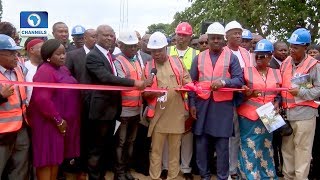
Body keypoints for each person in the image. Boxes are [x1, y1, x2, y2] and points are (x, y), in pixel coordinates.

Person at [85, 25, 146, 180]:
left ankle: (102, 175)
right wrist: (134, 83)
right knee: (96, 149)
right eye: (105, 35)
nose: (109, 38)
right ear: (97, 36)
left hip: (112, 109)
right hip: (101, 110)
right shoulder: (93, 55)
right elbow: (106, 78)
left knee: (105, 147)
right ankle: (95, 177)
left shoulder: (108, 54)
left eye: (111, 35)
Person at [189, 22, 243, 180]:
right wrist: (191, 104)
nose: (216, 41)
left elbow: (239, 79)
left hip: (223, 107)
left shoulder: (231, 58)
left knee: (222, 146)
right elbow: (191, 84)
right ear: (208, 39)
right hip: (202, 106)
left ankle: (222, 176)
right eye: (213, 38)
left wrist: (224, 82)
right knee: (201, 144)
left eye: (219, 38)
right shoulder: (199, 58)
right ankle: (204, 176)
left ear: (224, 39)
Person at [27, 39, 81, 180]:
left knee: (56, 157)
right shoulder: (45, 71)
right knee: (46, 158)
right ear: (48, 56)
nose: (63, 56)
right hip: (48, 123)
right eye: (58, 54)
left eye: (64, 53)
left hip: (60, 123)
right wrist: (58, 120)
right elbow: (42, 99)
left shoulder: (63, 69)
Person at [144, 31, 191, 180]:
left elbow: (188, 82)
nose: (156, 53)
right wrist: (152, 93)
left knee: (174, 150)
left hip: (176, 113)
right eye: (153, 51)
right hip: (157, 114)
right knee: (156, 150)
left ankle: (172, 176)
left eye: (159, 50)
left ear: (166, 48)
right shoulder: (148, 66)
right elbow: (143, 93)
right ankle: (155, 176)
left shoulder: (177, 62)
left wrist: (183, 87)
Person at [237, 39, 281, 179]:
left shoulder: (276, 72)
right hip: (249, 116)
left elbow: (279, 93)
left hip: (269, 115)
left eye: (262, 56)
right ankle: (250, 176)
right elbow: (238, 94)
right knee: (250, 147)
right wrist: (246, 93)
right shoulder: (246, 72)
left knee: (266, 147)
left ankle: (267, 175)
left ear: (270, 56)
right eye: (256, 55)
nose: (258, 58)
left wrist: (278, 102)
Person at [281, 28, 320, 180]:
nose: (291, 50)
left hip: (305, 115)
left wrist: (301, 93)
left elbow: (318, 89)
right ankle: (288, 177)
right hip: (287, 114)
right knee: (287, 150)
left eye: (295, 47)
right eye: (291, 46)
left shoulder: (314, 65)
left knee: (303, 151)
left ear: (306, 47)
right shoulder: (285, 63)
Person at [164, 22, 199, 180]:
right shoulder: (167, 51)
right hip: (169, 100)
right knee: (166, 133)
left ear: (190, 37)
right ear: (175, 35)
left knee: (186, 135)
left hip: (187, 100)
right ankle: (166, 167)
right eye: (179, 34)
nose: (181, 38)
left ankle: (185, 168)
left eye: (185, 35)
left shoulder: (196, 54)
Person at [113, 31, 146, 180]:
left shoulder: (136, 61)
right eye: (130, 46)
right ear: (121, 46)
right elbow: (120, 82)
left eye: (135, 46)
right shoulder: (118, 61)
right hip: (124, 110)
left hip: (136, 109)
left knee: (130, 142)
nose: (134, 49)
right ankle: (119, 173)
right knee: (121, 143)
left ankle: (126, 170)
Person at [224, 20, 252, 179]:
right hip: (230, 99)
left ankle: (242, 167)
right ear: (226, 36)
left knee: (244, 134)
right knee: (231, 136)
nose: (238, 36)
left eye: (240, 33)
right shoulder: (222, 52)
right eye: (235, 33)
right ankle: (231, 170)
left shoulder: (246, 53)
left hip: (247, 98)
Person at [0, 34, 30, 180]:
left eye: (16, 52)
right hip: (2, 133)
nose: (15, 56)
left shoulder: (18, 69)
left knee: (20, 170)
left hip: (21, 129)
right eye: (11, 53)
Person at [268, 40, 288, 177]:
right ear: (274, 51)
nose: (284, 52)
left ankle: (284, 167)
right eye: (281, 50)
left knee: (284, 141)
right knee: (273, 141)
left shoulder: (288, 64)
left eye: (285, 50)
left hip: (286, 107)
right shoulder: (269, 64)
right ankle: (275, 167)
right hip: (271, 108)